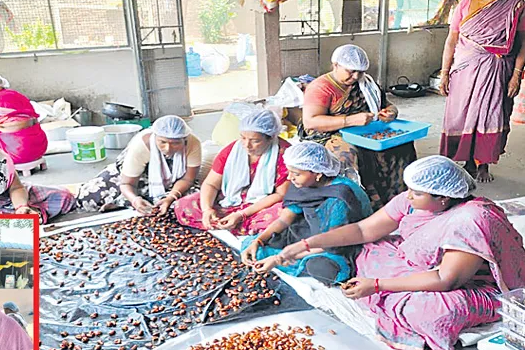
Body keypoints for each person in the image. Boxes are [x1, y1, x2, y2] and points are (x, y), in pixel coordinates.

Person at [271, 155, 525, 350]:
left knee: (430, 312)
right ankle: (362, 274)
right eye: (410, 189)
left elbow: (445, 279)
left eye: (417, 193)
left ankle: (379, 288)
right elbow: (365, 229)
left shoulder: (469, 221)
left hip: (470, 283)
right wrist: (306, 244)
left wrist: (376, 285)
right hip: (425, 264)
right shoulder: (414, 200)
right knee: (371, 246)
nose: (408, 196)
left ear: (443, 199)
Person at [298, 44, 417, 210]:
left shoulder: (367, 84)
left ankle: (398, 198)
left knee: (401, 144)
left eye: (360, 72)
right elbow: (311, 122)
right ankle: (360, 205)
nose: (355, 76)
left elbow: (387, 105)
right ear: (336, 65)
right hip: (330, 133)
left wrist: (391, 112)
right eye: (350, 71)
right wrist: (350, 120)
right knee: (350, 153)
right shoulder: (321, 87)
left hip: (364, 129)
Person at [241, 142, 373, 284]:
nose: (289, 178)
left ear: (317, 173)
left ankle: (291, 260)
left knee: (322, 269)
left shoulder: (339, 198)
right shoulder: (302, 183)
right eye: (290, 171)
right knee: (251, 246)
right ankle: (282, 256)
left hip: (337, 244)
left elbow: (331, 241)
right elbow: (284, 220)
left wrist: (278, 259)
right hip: (309, 232)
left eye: (296, 173)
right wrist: (258, 240)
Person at [439, 0, 525, 183]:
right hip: (465, 68)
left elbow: (524, 44)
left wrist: (516, 75)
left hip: (497, 69)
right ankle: (467, 162)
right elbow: (452, 40)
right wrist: (445, 72)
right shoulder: (464, 4)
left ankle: (483, 163)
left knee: (490, 113)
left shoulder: (516, 7)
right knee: (462, 113)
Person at [175, 109, 291, 235]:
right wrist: (207, 209)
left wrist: (241, 214)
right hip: (231, 198)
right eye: (243, 137)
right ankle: (233, 226)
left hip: (262, 204)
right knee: (183, 205)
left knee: (281, 214)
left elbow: (280, 195)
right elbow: (211, 184)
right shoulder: (232, 151)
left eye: (255, 140)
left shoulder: (285, 154)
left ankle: (234, 225)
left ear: (271, 137)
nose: (247, 145)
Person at [77, 115, 201, 215]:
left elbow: (187, 179)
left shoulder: (193, 143)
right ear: (155, 137)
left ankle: (124, 201)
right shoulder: (142, 144)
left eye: (175, 143)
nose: (168, 148)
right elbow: (126, 183)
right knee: (87, 197)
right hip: (135, 176)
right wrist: (135, 200)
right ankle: (130, 200)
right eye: (162, 142)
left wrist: (171, 197)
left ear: (184, 139)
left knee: (195, 200)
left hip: (174, 179)